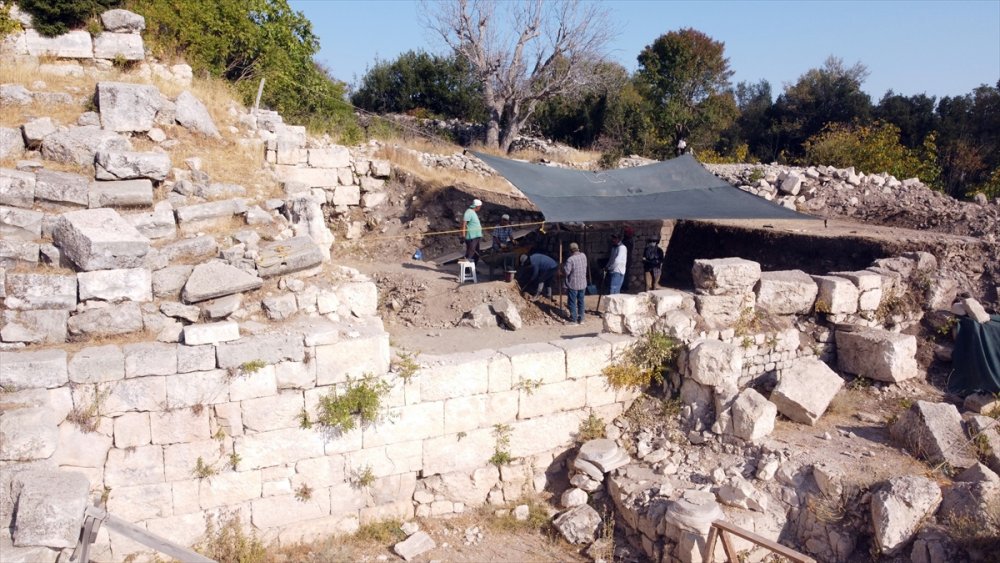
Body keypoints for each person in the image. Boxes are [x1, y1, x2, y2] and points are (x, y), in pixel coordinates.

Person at [562, 242, 588, 324]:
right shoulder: (583, 256)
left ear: (570, 250)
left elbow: (566, 272)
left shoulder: (570, 260)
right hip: (583, 283)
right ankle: (581, 319)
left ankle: (574, 319)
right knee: (581, 301)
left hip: (573, 284)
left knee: (572, 302)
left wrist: (561, 270)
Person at [621, 225, 635, 292]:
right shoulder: (627, 240)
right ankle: (624, 287)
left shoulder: (628, 241)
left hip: (627, 259)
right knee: (625, 273)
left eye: (625, 232)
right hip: (627, 259)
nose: (624, 233)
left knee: (625, 274)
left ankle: (625, 287)